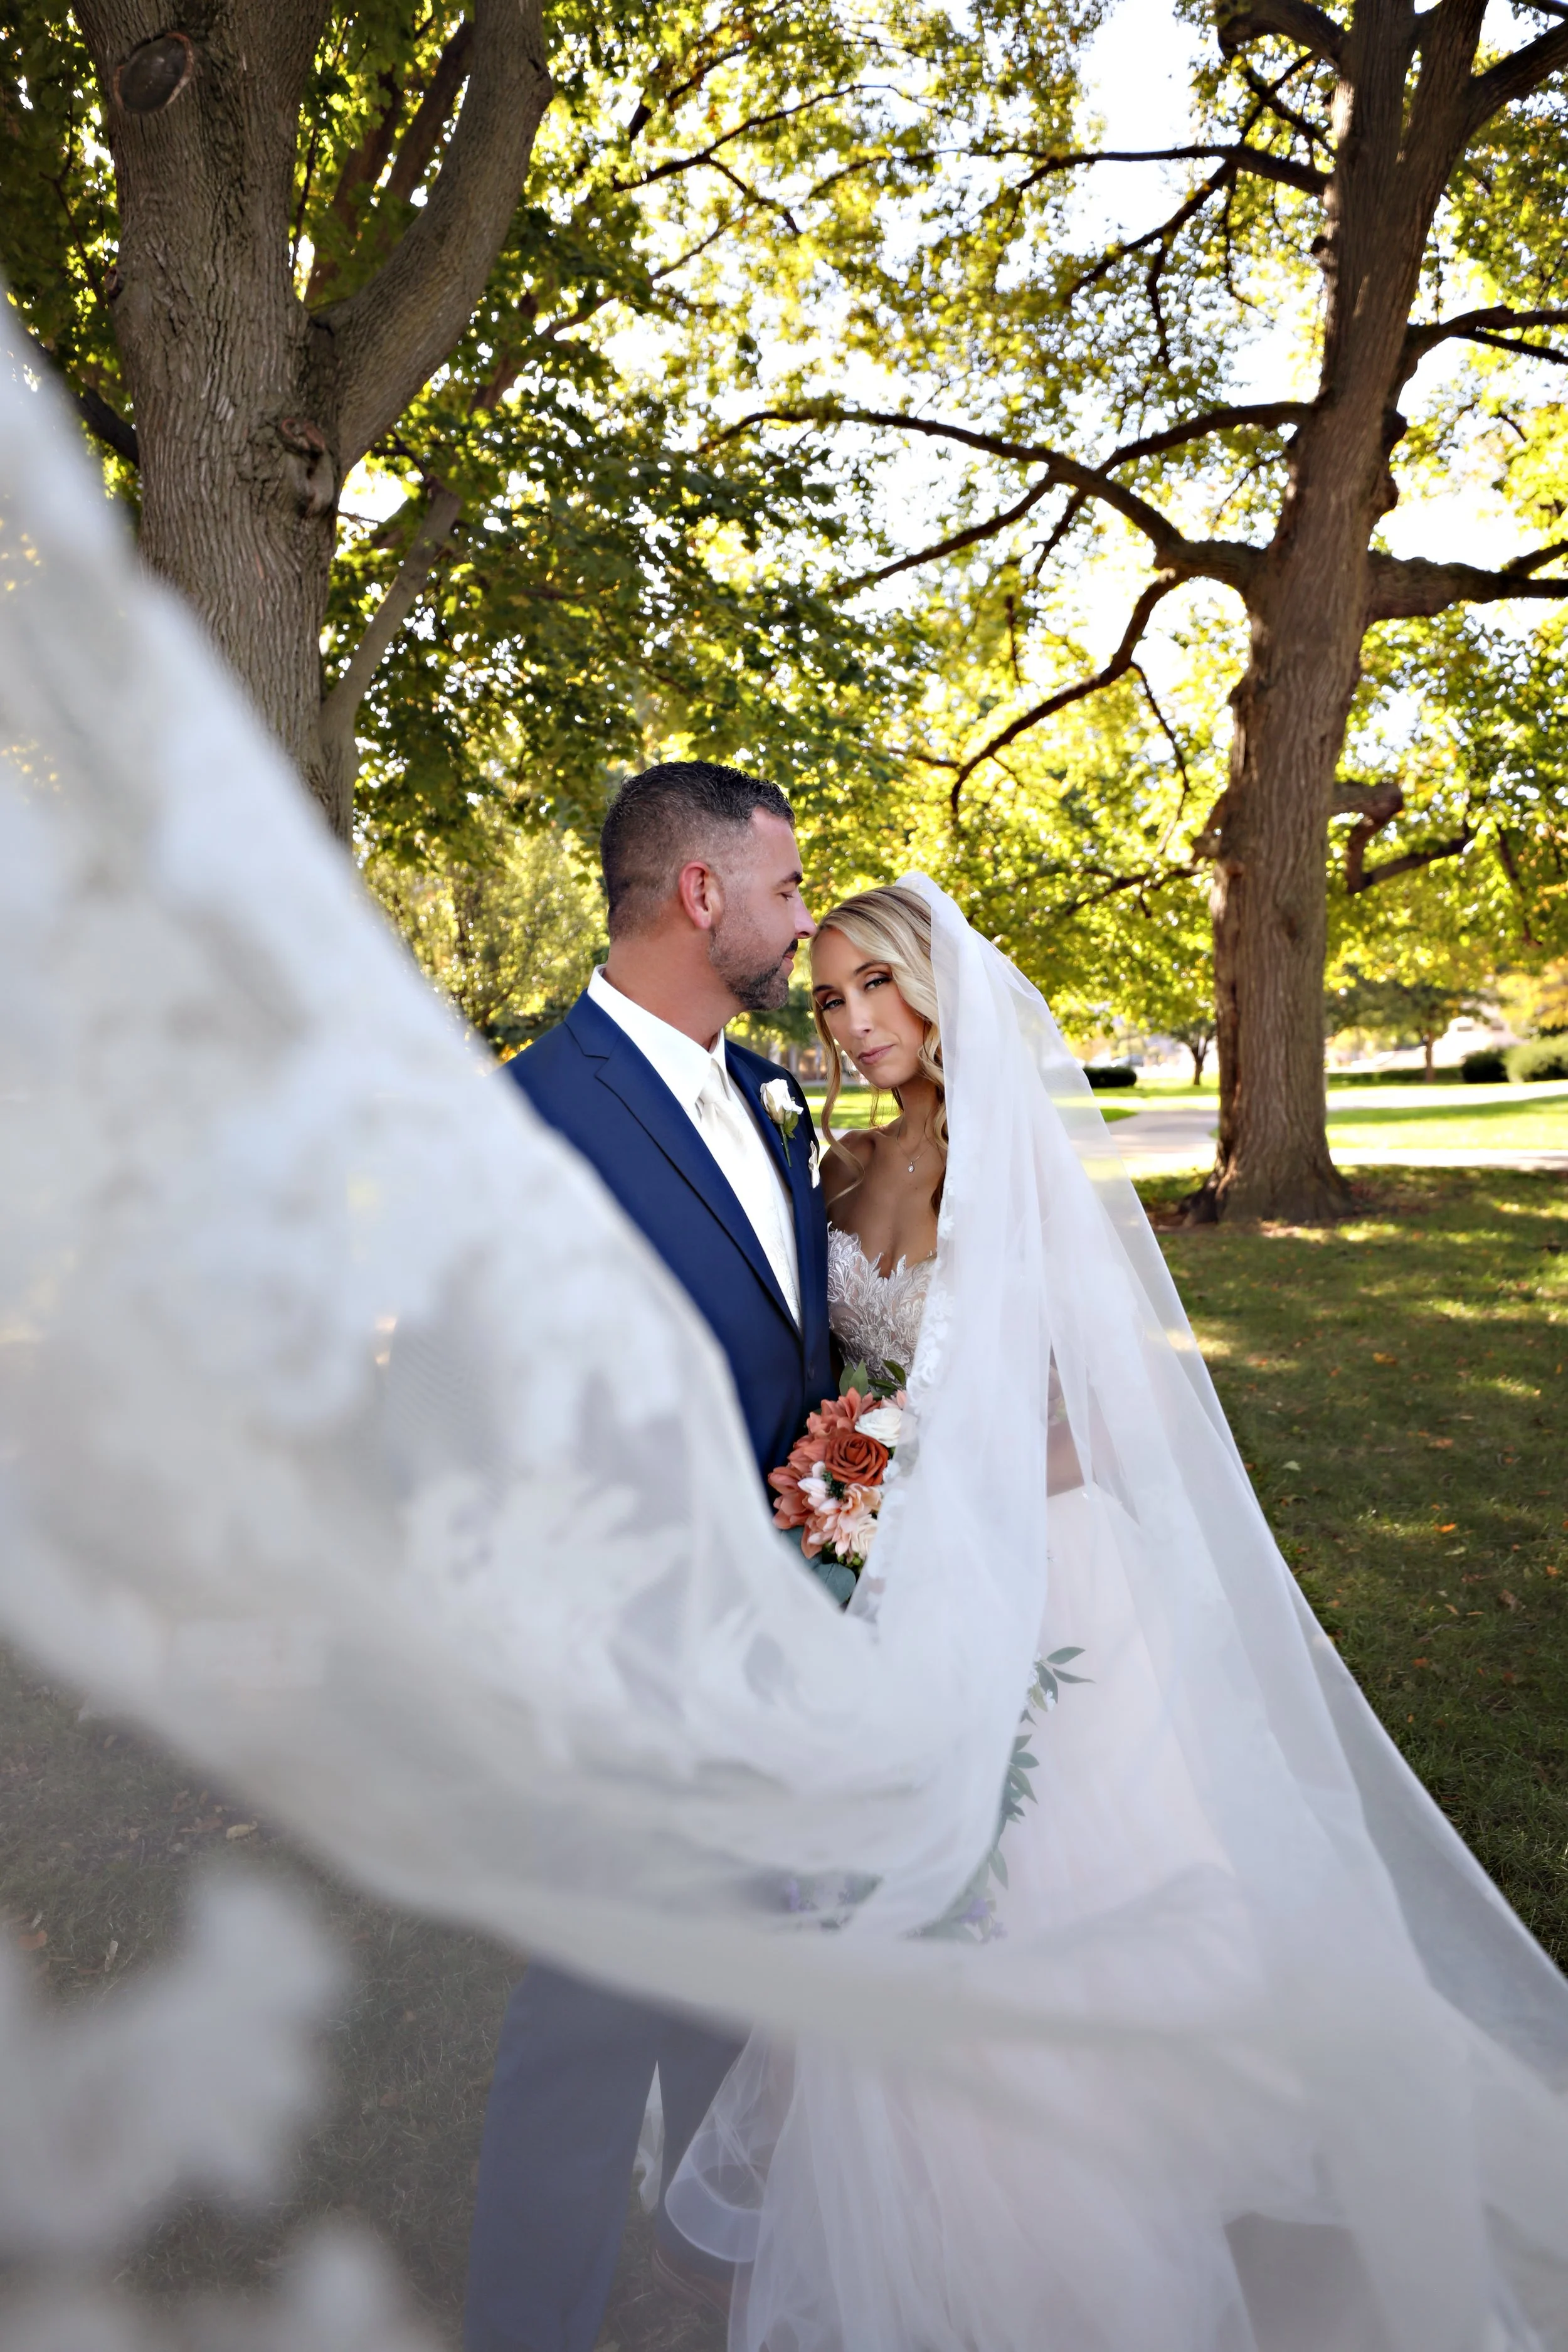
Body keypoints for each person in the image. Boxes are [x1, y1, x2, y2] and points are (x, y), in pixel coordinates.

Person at [667, 881, 1568, 2352]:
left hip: (1052, 1586)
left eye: (876, 986)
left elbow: (1117, 1420)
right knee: (907, 1933)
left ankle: (1100, 2238)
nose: (854, 1022)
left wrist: (921, 1502)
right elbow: (847, 1384)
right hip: (885, 1598)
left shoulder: (1022, 1170)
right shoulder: (830, 1174)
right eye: (829, 997)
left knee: (1050, 1920)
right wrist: (855, 1501)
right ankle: (965, 2247)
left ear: (936, 988)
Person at [464, 761, 833, 2352]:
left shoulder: (771, 1094)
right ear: (702, 896)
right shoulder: (530, 1114)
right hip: (617, 1674)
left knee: (733, 2022)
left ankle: (715, 2297)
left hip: (779, 1659)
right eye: (786, 889)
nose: (798, 919)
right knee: (583, 2034)